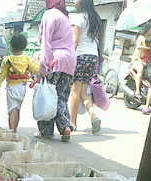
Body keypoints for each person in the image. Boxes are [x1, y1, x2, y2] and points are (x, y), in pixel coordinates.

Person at [35, 0, 76, 141]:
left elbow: (46, 42)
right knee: (62, 96)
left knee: (49, 96)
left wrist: (43, 66)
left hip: (55, 59)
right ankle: (66, 126)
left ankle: (49, 131)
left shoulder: (50, 14)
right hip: (70, 61)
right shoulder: (65, 17)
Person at [0, 34, 40, 133]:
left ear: (11, 46)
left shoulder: (7, 60)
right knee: (17, 109)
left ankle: (12, 131)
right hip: (22, 88)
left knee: (12, 110)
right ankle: (15, 129)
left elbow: (1, 75)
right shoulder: (27, 59)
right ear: (24, 47)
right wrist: (40, 64)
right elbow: (35, 70)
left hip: (11, 87)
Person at [69, 0, 102, 134]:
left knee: (75, 91)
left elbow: (75, 41)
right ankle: (94, 116)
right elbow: (96, 39)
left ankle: (72, 122)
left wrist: (70, 56)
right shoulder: (96, 18)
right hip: (93, 56)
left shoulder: (78, 17)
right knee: (83, 91)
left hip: (81, 56)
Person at [129, 22, 151, 98]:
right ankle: (138, 91)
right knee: (140, 70)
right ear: (148, 29)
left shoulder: (149, 39)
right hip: (137, 58)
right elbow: (138, 47)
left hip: (144, 59)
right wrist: (149, 48)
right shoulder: (141, 37)